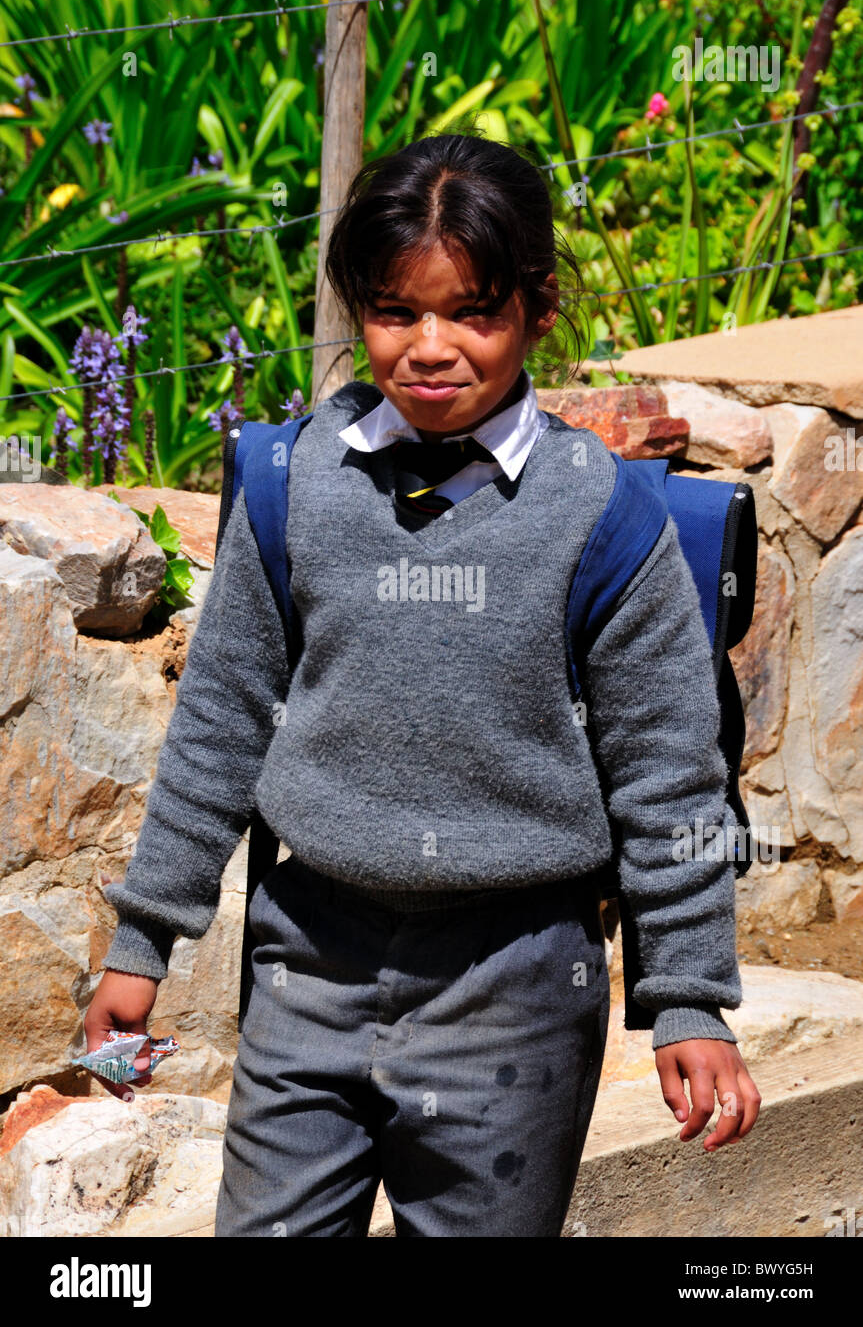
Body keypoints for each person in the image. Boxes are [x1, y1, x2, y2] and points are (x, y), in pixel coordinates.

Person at [85, 130, 761, 1237]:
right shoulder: (291, 482)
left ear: (537, 309)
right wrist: (141, 941)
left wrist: (686, 997)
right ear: (355, 309)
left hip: (516, 987)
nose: (430, 347)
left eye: (472, 310)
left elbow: (666, 779)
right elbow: (220, 721)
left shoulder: (602, 517)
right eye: (396, 312)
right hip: (306, 957)